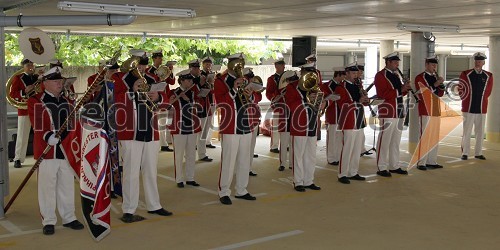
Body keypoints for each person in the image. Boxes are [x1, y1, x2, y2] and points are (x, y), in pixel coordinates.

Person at [113, 49, 172, 222]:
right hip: (130, 131)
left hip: (150, 130)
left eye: (145, 65)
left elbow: (166, 100)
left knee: (151, 170)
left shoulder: (153, 79)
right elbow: (113, 101)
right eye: (140, 64)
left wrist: (158, 98)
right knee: (130, 171)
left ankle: (154, 205)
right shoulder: (119, 78)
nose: (143, 68)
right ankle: (129, 210)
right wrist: (132, 90)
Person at [28, 66, 84, 235]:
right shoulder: (36, 100)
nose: (60, 83)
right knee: (47, 186)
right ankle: (49, 220)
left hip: (66, 150)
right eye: (56, 81)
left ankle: (69, 217)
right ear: (45, 83)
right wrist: (47, 136)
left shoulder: (67, 102)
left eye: (60, 80)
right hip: (47, 150)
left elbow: (73, 125)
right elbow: (37, 121)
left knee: (66, 185)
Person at [214, 53, 256, 205]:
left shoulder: (244, 80)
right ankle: (224, 191)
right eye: (237, 64)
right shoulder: (220, 81)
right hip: (230, 124)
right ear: (230, 64)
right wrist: (233, 89)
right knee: (229, 160)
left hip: (245, 122)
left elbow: (252, 100)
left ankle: (241, 189)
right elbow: (220, 102)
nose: (239, 67)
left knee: (244, 159)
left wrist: (250, 95)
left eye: (241, 64)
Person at [285, 69, 324, 192]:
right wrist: (306, 100)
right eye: (307, 73)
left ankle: (309, 180)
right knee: (298, 155)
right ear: (301, 73)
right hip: (299, 125)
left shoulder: (314, 87)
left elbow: (319, 104)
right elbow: (290, 104)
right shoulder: (292, 87)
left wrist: (322, 103)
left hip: (312, 124)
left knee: (311, 155)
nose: (310, 76)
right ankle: (298, 181)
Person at [374, 52, 410, 177]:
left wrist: (405, 88)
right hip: (388, 111)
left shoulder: (395, 75)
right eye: (395, 62)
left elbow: (399, 93)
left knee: (395, 141)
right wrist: (401, 89)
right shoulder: (380, 75)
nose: (397, 64)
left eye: (397, 62)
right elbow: (383, 94)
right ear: (388, 62)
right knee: (384, 140)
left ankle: (394, 165)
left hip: (399, 110)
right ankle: (381, 167)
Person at [168, 69, 202, 187]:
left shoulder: (193, 92)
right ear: (181, 81)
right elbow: (166, 106)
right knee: (179, 154)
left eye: (191, 80)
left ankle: (190, 177)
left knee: (191, 153)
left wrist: (189, 100)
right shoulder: (174, 92)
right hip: (179, 127)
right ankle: (179, 179)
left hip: (192, 126)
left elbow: (199, 105)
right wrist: (174, 99)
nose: (190, 81)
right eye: (188, 80)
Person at [336, 65, 369, 184]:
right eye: (354, 73)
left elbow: (363, 103)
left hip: (359, 119)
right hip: (348, 120)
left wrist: (365, 99)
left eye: (357, 74)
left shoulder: (357, 86)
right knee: (347, 147)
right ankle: (342, 174)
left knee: (357, 148)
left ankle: (353, 171)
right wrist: (358, 102)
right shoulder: (341, 87)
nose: (356, 76)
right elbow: (343, 105)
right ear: (347, 73)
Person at [459, 52, 493, 160]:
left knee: (480, 131)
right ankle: (465, 153)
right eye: (477, 61)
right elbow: (461, 88)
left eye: (480, 61)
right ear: (474, 61)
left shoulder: (488, 75)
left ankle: (478, 153)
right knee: (467, 131)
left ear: (483, 62)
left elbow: (488, 91)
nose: (478, 63)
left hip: (481, 108)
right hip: (468, 108)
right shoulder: (466, 73)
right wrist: (465, 100)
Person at [415, 56, 445, 170]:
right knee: (425, 136)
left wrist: (441, 85)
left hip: (436, 109)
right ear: (426, 65)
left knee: (434, 136)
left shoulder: (435, 77)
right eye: (432, 65)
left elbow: (440, 94)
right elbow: (424, 93)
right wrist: (436, 84)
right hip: (426, 110)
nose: (434, 67)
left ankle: (432, 160)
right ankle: (421, 162)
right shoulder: (420, 77)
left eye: (435, 65)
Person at [10, 58, 39, 168]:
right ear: (24, 67)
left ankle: (39, 157)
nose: (31, 66)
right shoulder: (18, 78)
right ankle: (18, 158)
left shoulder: (37, 78)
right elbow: (12, 94)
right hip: (24, 109)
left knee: (39, 134)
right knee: (22, 134)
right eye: (28, 65)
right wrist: (24, 91)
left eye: (32, 64)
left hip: (37, 109)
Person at [320, 67, 345, 166]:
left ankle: (338, 157)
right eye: (343, 75)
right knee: (331, 138)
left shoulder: (343, 85)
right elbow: (324, 97)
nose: (344, 77)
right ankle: (331, 158)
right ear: (338, 75)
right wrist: (332, 97)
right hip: (332, 114)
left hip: (341, 114)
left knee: (339, 137)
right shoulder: (327, 85)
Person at [191, 58, 213, 162]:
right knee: (194, 133)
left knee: (203, 132)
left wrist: (208, 84)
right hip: (194, 109)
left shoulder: (201, 77)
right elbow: (192, 93)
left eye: (198, 68)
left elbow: (209, 92)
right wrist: (200, 84)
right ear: (190, 69)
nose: (197, 70)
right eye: (195, 68)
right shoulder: (188, 79)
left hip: (205, 106)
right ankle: (192, 154)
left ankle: (202, 153)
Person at [244, 68, 263, 176]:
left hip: (254, 118)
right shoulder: (240, 86)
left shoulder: (253, 87)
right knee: (243, 148)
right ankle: (241, 169)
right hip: (244, 120)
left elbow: (258, 97)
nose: (251, 79)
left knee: (251, 147)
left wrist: (252, 94)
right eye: (249, 78)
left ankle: (248, 168)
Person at [266, 58, 286, 155]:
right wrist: (275, 97)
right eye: (279, 65)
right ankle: (274, 146)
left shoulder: (288, 77)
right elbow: (268, 93)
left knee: (287, 126)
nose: (282, 66)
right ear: (276, 66)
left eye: (282, 65)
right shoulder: (271, 79)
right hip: (277, 104)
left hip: (288, 105)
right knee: (276, 126)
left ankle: (286, 145)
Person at [200, 56, 217, 150]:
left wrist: (213, 82)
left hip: (212, 100)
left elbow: (214, 89)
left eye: (210, 65)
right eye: (206, 64)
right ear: (203, 65)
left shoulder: (212, 74)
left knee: (210, 122)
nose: (208, 66)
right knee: (202, 123)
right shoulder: (201, 74)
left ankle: (208, 141)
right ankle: (199, 143)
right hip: (203, 101)